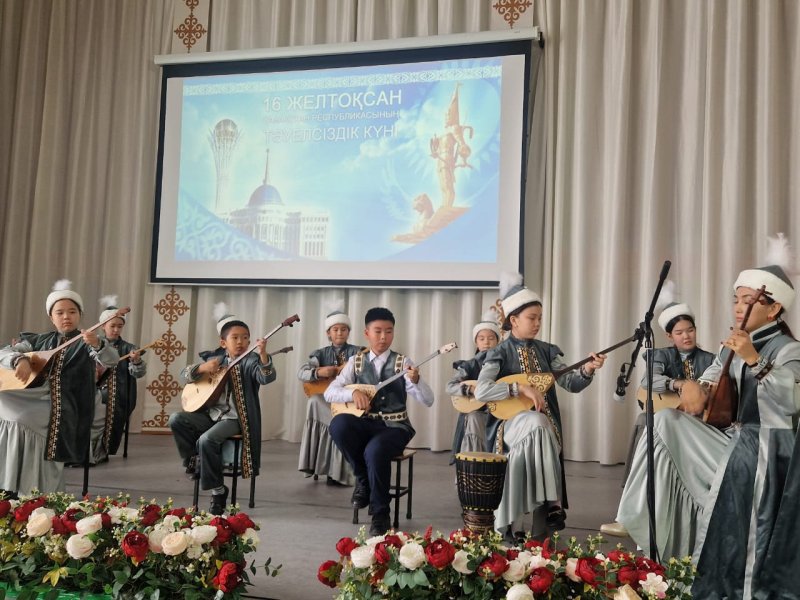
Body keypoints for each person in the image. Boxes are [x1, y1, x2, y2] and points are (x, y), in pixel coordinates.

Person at [614, 258, 799, 599]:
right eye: (736, 299)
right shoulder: (734, 345)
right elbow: (708, 381)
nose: (739, 307)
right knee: (664, 420)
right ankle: (641, 521)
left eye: (748, 300)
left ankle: (656, 530)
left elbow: (792, 401)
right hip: (735, 439)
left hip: (769, 450)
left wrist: (754, 359)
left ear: (773, 309)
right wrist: (692, 386)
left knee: (668, 426)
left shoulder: (788, 349)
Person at [473, 275, 605, 536]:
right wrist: (519, 388)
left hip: (544, 430)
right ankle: (553, 503)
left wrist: (588, 369)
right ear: (513, 320)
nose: (537, 323)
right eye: (531, 318)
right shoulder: (499, 352)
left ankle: (525, 528)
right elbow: (482, 390)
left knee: (539, 426)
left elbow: (570, 383)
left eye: (540, 318)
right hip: (508, 427)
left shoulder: (547, 351)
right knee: (537, 421)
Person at [600, 300, 714, 537]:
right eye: (679, 332)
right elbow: (649, 381)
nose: (686, 336)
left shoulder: (710, 359)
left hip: (699, 421)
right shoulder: (661, 355)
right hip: (669, 418)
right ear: (669, 336)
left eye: (690, 330)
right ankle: (632, 513)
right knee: (647, 422)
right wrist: (679, 384)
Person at [0, 280, 119, 495]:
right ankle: (10, 484)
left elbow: (111, 360)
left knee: (23, 418)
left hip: (68, 405)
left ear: (80, 315)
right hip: (36, 398)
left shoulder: (88, 341)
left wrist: (97, 345)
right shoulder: (39, 340)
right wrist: (19, 360)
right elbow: (4, 352)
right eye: (60, 312)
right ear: (51, 317)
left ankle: (36, 490)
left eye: (72, 312)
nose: (66, 317)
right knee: (5, 402)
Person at [325, 307, 435, 535]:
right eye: (378, 331)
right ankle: (363, 478)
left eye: (389, 331)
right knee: (338, 425)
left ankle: (380, 515)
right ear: (367, 333)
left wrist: (416, 380)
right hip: (366, 423)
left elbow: (428, 400)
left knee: (375, 451)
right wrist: (352, 393)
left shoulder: (402, 363)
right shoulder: (356, 361)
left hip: (395, 427)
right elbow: (330, 392)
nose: (383, 337)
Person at [169, 305, 276, 515]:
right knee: (176, 419)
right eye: (235, 338)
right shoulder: (215, 360)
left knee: (206, 440)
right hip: (211, 415)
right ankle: (192, 461)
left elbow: (266, 377)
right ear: (223, 343)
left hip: (236, 418)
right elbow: (183, 375)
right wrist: (202, 368)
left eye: (245, 338)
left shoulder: (251, 361)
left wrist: (263, 354)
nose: (241, 342)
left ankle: (218, 491)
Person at [297, 303, 359, 485]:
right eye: (335, 330)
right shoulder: (320, 354)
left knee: (340, 418)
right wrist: (319, 372)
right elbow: (301, 373)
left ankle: (339, 473)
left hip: (349, 401)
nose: (339, 333)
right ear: (328, 333)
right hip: (328, 401)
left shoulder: (357, 352)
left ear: (348, 332)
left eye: (343, 329)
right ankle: (318, 465)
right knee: (314, 401)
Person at [88, 296, 147, 465]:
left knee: (112, 407)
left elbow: (138, 374)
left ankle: (101, 452)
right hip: (93, 391)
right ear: (103, 326)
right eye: (112, 326)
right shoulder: (92, 344)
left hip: (120, 393)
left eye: (119, 326)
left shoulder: (129, 348)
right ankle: (84, 451)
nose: (116, 330)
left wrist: (136, 361)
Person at [446, 310, 501, 459]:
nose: (486, 342)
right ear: (476, 342)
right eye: (481, 338)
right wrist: (470, 389)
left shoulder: (503, 364)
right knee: (473, 417)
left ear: (498, 341)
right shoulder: (469, 365)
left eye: (491, 338)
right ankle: (474, 462)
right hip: (475, 413)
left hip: (499, 412)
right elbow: (450, 386)